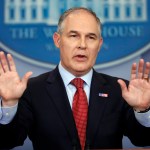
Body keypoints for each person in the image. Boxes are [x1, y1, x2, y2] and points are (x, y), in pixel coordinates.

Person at [0, 7, 150, 150]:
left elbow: (142, 139)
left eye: (91, 37)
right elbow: (8, 140)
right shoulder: (33, 90)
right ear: (57, 40)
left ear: (99, 44)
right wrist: (9, 105)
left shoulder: (119, 89)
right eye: (74, 36)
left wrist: (143, 110)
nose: (82, 45)